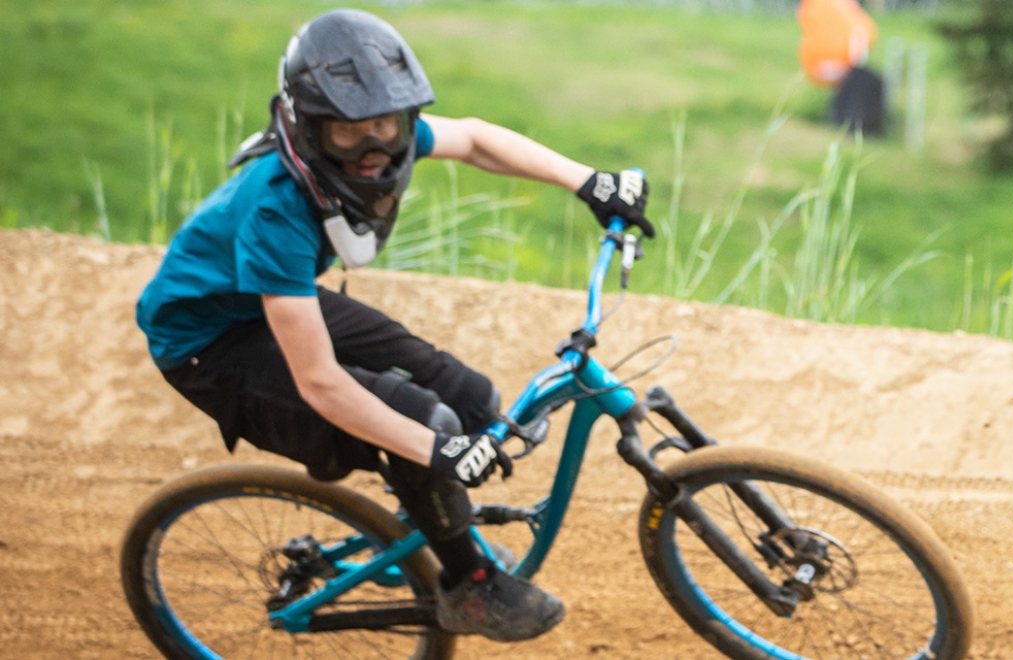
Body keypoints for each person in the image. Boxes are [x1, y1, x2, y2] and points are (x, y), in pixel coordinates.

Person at [134, 9, 654, 642]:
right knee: (426, 426)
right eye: (351, 134)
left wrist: (588, 181)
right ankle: (469, 586)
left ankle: (432, 511)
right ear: (309, 125)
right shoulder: (275, 209)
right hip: (208, 344)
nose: (375, 149)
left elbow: (473, 138)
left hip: (262, 302)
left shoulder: (381, 137)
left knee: (469, 397)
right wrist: (440, 452)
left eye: (386, 124)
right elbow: (321, 383)